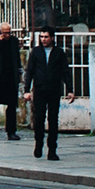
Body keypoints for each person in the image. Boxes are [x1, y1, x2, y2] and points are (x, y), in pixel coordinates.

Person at [24, 30, 67, 160]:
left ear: (52, 38)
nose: (44, 39)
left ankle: (52, 149)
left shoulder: (59, 53)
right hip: (39, 89)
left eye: (46, 37)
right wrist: (27, 90)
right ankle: (38, 144)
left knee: (53, 120)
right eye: (42, 37)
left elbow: (65, 71)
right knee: (39, 118)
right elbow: (30, 71)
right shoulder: (36, 52)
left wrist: (70, 89)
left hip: (54, 89)